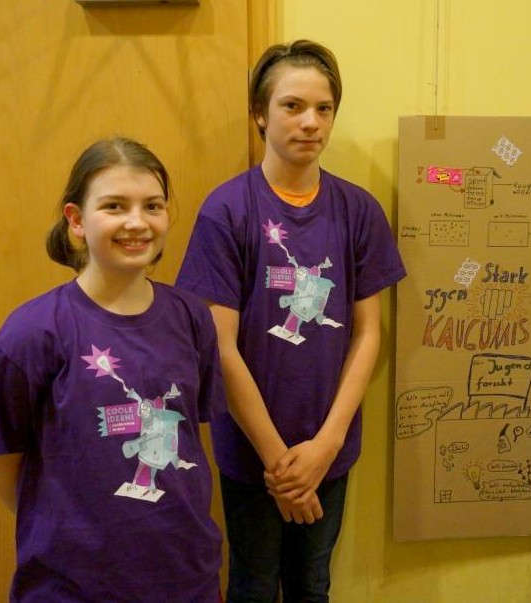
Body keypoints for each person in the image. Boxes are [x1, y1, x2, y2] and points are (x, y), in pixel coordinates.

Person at [176, 40, 406, 602]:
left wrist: (326, 446)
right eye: (293, 106)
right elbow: (220, 347)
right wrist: (280, 464)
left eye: (324, 109)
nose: (310, 122)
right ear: (260, 113)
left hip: (329, 447)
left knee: (311, 584)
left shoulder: (358, 210)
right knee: (252, 585)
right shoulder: (227, 210)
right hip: (251, 451)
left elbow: (369, 333)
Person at [0, 138, 225, 602]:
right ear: (76, 220)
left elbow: (190, 435)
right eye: (114, 206)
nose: (136, 222)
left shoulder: (192, 318)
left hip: (185, 576)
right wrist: (66, 532)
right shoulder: (31, 333)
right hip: (72, 585)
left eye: (152, 206)